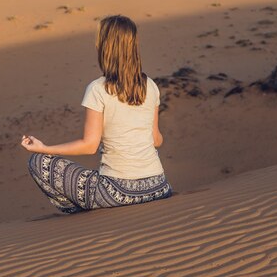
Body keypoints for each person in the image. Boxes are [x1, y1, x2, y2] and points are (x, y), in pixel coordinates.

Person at [20, 14, 172, 214]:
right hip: (158, 187)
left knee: (39, 162)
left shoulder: (98, 89)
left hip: (118, 191)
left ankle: (81, 217)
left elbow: (90, 145)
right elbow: (156, 139)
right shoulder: (150, 86)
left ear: (106, 47)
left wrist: (44, 148)